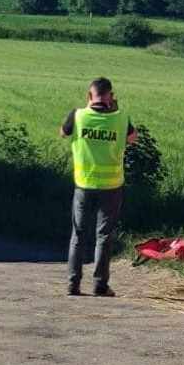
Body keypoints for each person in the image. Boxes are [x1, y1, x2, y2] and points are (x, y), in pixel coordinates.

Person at [60, 77, 137, 296]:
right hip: (111, 186)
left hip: (84, 185)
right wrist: (115, 111)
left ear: (89, 95)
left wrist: (86, 108)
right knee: (104, 236)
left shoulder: (78, 115)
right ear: (110, 96)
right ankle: (100, 285)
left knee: (79, 234)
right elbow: (133, 139)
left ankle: (72, 283)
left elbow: (63, 133)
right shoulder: (121, 118)